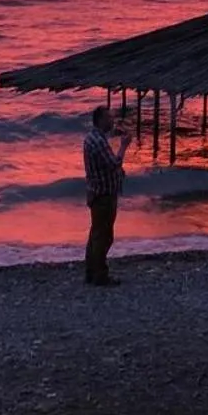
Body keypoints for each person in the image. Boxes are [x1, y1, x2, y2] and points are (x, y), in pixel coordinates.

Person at [83, 104, 130, 286]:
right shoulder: (98, 142)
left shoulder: (93, 138)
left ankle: (91, 272)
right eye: (109, 118)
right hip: (103, 194)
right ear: (101, 120)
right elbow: (113, 163)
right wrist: (124, 146)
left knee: (96, 234)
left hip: (96, 192)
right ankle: (100, 275)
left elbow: (105, 166)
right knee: (104, 235)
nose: (112, 120)